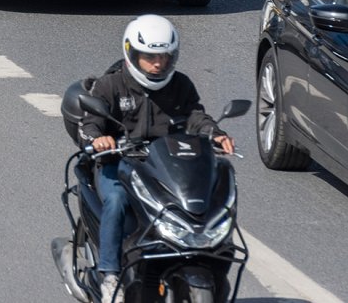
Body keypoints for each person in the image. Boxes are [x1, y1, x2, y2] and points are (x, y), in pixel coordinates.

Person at [75, 16, 233, 303]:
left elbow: (196, 117)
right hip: (118, 164)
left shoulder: (181, 85)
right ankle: (110, 274)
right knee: (117, 201)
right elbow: (90, 124)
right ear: (132, 54)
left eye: (164, 57)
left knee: (207, 195)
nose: (158, 64)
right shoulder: (110, 86)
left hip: (163, 165)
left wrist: (215, 134)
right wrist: (99, 138)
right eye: (150, 57)